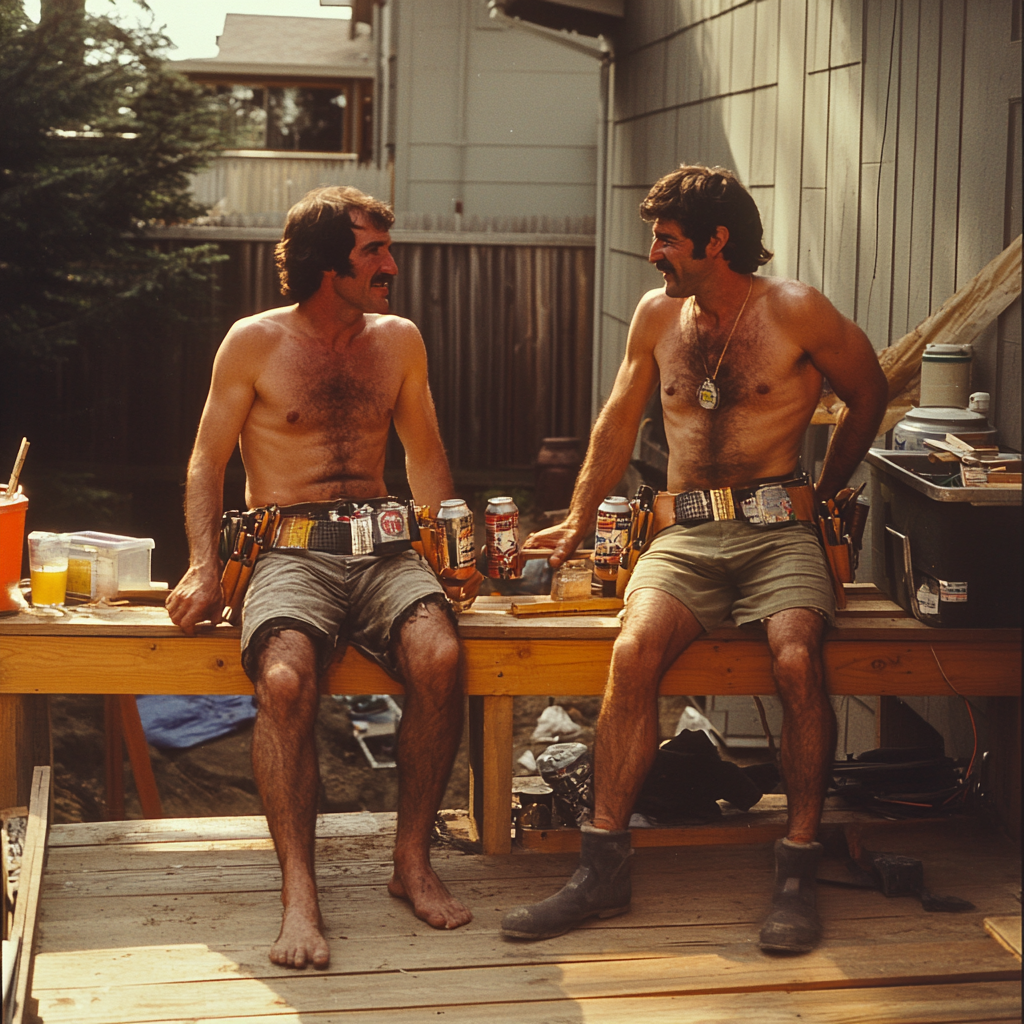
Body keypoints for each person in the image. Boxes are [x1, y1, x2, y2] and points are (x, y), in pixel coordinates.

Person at [501, 165, 887, 954]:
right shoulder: (656, 317)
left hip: (781, 531)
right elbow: (616, 423)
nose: (653, 255)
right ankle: (601, 867)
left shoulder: (795, 310)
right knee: (633, 650)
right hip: (684, 535)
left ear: (717, 240)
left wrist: (829, 492)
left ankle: (797, 867)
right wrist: (576, 519)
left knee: (794, 655)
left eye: (667, 240)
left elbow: (871, 393)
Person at [166, 186, 475, 970]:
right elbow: (208, 458)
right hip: (288, 550)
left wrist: (453, 551)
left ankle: (411, 862)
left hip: (385, 550)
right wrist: (205, 565)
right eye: (373, 251)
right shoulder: (254, 342)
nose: (390, 265)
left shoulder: (399, 340)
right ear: (323, 262)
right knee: (284, 678)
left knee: (441, 655)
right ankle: (298, 893)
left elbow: (425, 456)